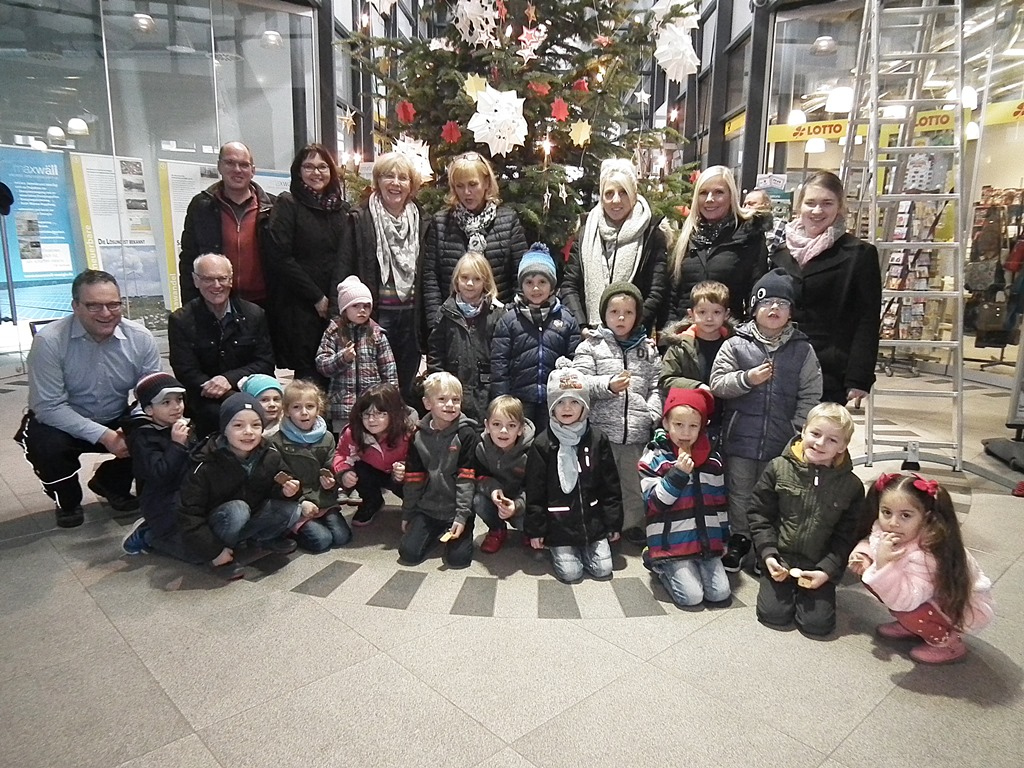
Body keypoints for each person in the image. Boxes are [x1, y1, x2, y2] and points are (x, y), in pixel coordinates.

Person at [16, 270, 161, 528]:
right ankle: (67, 500)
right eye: (93, 305)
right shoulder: (49, 342)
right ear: (75, 306)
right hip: (61, 421)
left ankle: (111, 482)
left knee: (160, 428)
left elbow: (150, 394)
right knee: (44, 445)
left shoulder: (140, 339)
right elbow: (48, 406)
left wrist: (134, 424)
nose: (106, 313)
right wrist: (106, 436)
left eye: (113, 304)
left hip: (115, 415)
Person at [710, 269, 822, 572]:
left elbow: (811, 393)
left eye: (782, 304)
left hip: (781, 439)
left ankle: (767, 548)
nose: (774, 309)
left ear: (791, 312)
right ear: (753, 308)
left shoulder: (802, 349)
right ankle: (739, 539)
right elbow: (718, 383)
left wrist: (796, 429)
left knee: (773, 494)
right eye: (767, 302)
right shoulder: (736, 344)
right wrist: (747, 378)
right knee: (740, 491)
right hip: (741, 438)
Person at [848, 473, 994, 664]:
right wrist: (864, 555)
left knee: (906, 608)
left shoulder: (928, 553)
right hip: (926, 596)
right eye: (886, 512)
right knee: (872, 578)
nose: (893, 522)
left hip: (957, 607)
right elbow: (873, 539)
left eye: (906, 515)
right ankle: (912, 626)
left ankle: (948, 644)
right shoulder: (893, 531)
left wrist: (884, 564)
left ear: (926, 517)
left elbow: (907, 600)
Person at [748, 403, 866, 636]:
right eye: (815, 434)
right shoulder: (778, 467)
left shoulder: (851, 486)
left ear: (843, 446)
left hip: (818, 563)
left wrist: (827, 570)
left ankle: (816, 591)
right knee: (773, 614)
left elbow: (847, 535)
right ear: (803, 431)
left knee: (818, 625)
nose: (821, 443)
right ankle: (775, 581)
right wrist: (768, 554)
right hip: (780, 559)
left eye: (833, 440)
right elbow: (759, 513)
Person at [769, 170, 882, 406]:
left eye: (826, 203)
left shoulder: (859, 254)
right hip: (778, 365)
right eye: (810, 203)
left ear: (840, 207)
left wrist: (858, 376)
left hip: (829, 370)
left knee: (821, 440)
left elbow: (867, 319)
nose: (817, 211)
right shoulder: (781, 253)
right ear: (800, 206)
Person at [121, 373, 243, 579]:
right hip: (165, 506)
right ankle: (149, 535)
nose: (176, 407)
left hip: (192, 500)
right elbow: (159, 474)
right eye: (166, 402)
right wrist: (176, 445)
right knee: (200, 555)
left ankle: (208, 544)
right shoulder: (142, 436)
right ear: (149, 409)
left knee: (231, 516)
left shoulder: (182, 426)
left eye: (179, 400)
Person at [572, 282, 661, 546]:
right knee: (600, 481)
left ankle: (633, 523)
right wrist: (607, 385)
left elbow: (657, 385)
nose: (621, 318)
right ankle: (600, 522)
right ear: (604, 314)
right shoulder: (592, 346)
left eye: (628, 312)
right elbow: (579, 382)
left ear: (637, 315)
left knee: (633, 481)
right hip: (601, 431)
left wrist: (651, 412)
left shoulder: (648, 349)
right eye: (614, 312)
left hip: (635, 430)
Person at [344, 152, 430, 406]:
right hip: (376, 315)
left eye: (402, 177)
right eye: (388, 176)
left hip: (412, 314)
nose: (395, 183)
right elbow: (345, 265)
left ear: (411, 184)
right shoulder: (360, 217)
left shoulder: (423, 219)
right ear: (377, 181)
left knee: (404, 380)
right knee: (374, 382)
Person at [524, 361, 622, 584]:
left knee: (603, 569)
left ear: (584, 406)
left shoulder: (598, 439)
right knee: (571, 574)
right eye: (560, 403)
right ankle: (562, 550)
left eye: (574, 402)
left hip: (593, 522)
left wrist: (612, 523)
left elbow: (610, 486)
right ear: (552, 407)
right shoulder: (542, 444)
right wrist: (537, 530)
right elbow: (535, 491)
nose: (567, 408)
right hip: (559, 526)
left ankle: (588, 547)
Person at [177, 392, 302, 558]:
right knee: (238, 510)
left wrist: (287, 491)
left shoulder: (269, 452)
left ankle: (256, 539)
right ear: (224, 429)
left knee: (293, 509)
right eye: (238, 426)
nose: (248, 432)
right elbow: (189, 514)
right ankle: (221, 550)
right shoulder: (206, 462)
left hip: (250, 514)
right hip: (215, 524)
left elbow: (279, 482)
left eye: (256, 425)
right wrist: (213, 551)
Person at [264, 143, 350, 384]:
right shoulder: (288, 204)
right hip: (301, 306)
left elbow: (346, 256)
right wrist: (316, 297)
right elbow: (280, 257)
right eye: (309, 167)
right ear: (298, 171)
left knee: (339, 370)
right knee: (309, 379)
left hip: (336, 303)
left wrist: (335, 299)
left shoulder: (341, 210)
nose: (316, 173)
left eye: (322, 166)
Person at [638, 387, 730, 608]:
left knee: (720, 593)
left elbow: (719, 502)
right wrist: (677, 474)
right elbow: (654, 503)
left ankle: (697, 565)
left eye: (693, 426)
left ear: (702, 427)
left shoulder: (712, 460)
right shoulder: (654, 457)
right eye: (678, 425)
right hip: (672, 544)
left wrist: (723, 538)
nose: (685, 433)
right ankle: (657, 562)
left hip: (706, 541)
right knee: (691, 597)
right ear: (666, 423)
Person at [168, 253, 275, 437]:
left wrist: (228, 380)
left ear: (231, 280)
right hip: (205, 398)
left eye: (222, 278)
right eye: (208, 279)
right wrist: (218, 390)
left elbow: (265, 362)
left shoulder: (254, 314)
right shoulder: (181, 320)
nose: (216, 285)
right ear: (195, 280)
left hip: (247, 392)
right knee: (220, 417)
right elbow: (185, 370)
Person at [560, 158, 669, 334]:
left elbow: (656, 292)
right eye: (609, 193)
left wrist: (628, 327)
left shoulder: (651, 233)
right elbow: (569, 285)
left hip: (634, 337)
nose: (616, 200)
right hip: (591, 336)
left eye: (623, 192)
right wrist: (582, 326)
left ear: (633, 194)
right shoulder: (586, 230)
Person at [421, 152, 527, 328]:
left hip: (499, 322)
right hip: (453, 324)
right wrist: (437, 322)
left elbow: (521, 275)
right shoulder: (441, 223)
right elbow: (430, 278)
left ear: (486, 183)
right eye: (460, 186)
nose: (467, 192)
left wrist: (510, 317)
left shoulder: (508, 220)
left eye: (473, 184)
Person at [491, 243, 581, 432]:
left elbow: (576, 362)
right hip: (519, 400)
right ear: (521, 285)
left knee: (548, 447)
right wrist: (502, 400)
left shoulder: (566, 320)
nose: (536, 288)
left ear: (552, 285)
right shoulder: (509, 320)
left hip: (555, 400)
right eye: (529, 282)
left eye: (542, 282)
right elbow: (499, 365)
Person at [663, 166, 768, 327]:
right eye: (703, 193)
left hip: (730, 338)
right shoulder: (686, 236)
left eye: (719, 192)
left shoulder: (749, 235)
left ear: (731, 196)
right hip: (686, 338)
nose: (710, 199)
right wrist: (670, 335)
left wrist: (745, 338)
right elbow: (671, 295)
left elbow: (755, 292)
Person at [177, 141, 275, 307]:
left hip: (266, 304)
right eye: (230, 163)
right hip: (217, 302)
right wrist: (191, 306)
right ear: (219, 167)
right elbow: (188, 259)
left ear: (253, 171)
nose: (237, 170)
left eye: (244, 165)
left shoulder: (273, 207)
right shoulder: (201, 206)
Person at [398, 373, 479, 569]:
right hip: (427, 509)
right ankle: (431, 531)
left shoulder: (467, 434)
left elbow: (466, 480)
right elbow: (413, 479)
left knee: (458, 560)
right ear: (427, 403)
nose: (450, 404)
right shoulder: (417, 436)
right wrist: (408, 513)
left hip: (457, 509)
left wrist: (461, 516)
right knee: (408, 553)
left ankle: (463, 527)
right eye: (442, 399)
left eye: (456, 400)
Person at [269, 380, 351, 553]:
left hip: (323, 498)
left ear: (318, 408)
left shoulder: (327, 437)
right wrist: (300, 503)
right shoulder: (277, 442)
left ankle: (318, 520)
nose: (304, 412)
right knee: (322, 541)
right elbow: (278, 479)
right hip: (296, 501)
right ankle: (290, 528)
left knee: (342, 537)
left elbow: (332, 465)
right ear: (287, 411)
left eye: (310, 406)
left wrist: (333, 482)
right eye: (296, 407)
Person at [426, 251, 503, 423]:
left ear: (485, 282)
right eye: (465, 277)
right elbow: (436, 353)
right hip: (452, 392)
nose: (470, 283)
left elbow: (502, 356)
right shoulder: (445, 313)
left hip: (486, 391)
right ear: (456, 281)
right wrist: (439, 385)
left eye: (477, 279)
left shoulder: (496, 314)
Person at [316, 275, 399, 431]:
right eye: (355, 306)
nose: (362, 310)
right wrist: (342, 358)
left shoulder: (377, 334)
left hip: (372, 409)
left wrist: (390, 402)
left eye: (366, 306)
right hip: (342, 408)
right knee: (345, 449)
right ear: (344, 308)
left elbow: (390, 372)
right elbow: (322, 365)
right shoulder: (333, 332)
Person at [333, 383, 416, 526]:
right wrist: (344, 472)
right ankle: (372, 501)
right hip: (371, 470)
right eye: (366, 414)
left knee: (414, 495)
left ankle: (414, 508)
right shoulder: (353, 432)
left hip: (400, 476)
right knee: (358, 469)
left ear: (393, 413)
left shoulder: (409, 432)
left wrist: (405, 468)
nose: (371, 420)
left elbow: (420, 460)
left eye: (380, 414)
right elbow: (341, 454)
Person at [658, 280, 731, 438]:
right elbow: (665, 379)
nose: (709, 318)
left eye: (716, 312)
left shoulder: (735, 345)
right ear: (691, 314)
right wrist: (697, 386)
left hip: (723, 423)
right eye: (702, 312)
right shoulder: (679, 345)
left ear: (726, 314)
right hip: (686, 426)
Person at [473, 395, 535, 554]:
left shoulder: (531, 452)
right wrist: (493, 489)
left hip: (522, 503)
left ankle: (529, 530)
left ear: (521, 429)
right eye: (496, 424)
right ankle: (497, 530)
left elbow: (536, 488)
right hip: (496, 500)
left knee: (533, 524)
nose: (503, 431)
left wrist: (517, 505)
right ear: (487, 426)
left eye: (511, 425)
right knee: (477, 500)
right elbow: (479, 478)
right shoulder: (481, 448)